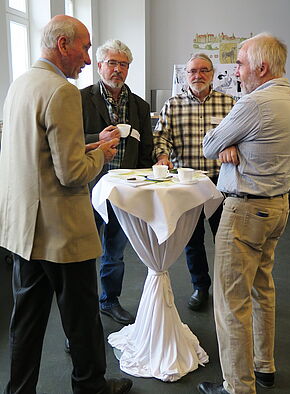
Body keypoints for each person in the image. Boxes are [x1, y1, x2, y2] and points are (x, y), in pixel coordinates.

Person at [0, 15, 132, 394]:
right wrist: (102, 155)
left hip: (25, 229)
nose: (88, 59)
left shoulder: (21, 84)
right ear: (63, 45)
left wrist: (87, 146)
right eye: (86, 48)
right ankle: (90, 386)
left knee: (25, 321)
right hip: (61, 233)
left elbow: (34, 152)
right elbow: (73, 173)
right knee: (82, 318)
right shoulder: (63, 91)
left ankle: (18, 389)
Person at [198, 33, 290, 394]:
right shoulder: (289, 98)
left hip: (245, 211)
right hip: (278, 206)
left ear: (261, 67)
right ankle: (264, 366)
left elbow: (210, 146)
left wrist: (229, 140)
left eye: (239, 63)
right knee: (262, 288)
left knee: (230, 301)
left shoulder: (253, 104)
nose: (235, 71)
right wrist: (236, 141)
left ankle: (237, 386)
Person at [80, 39, 154, 325]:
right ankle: (83, 312)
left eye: (123, 65)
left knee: (115, 251)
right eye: (112, 63)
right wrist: (96, 140)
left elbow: (146, 149)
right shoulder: (79, 99)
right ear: (100, 66)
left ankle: (109, 300)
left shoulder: (139, 105)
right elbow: (68, 141)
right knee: (84, 254)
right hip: (88, 187)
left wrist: (145, 186)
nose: (118, 70)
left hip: (124, 189)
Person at [153, 53, 234, 310]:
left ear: (212, 74)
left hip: (221, 184)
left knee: (226, 240)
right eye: (192, 71)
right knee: (193, 241)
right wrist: (163, 155)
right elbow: (161, 137)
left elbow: (240, 137)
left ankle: (228, 288)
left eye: (203, 70)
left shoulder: (229, 104)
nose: (197, 76)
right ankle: (201, 287)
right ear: (185, 75)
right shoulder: (172, 105)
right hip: (187, 186)